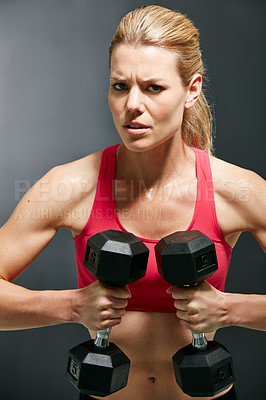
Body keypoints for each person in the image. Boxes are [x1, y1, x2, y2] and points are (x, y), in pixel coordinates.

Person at [0, 5, 265, 400]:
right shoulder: (71, 186)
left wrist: (231, 311)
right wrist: (72, 306)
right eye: (120, 86)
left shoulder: (237, 190)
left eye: (154, 88)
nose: (132, 105)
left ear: (191, 90)